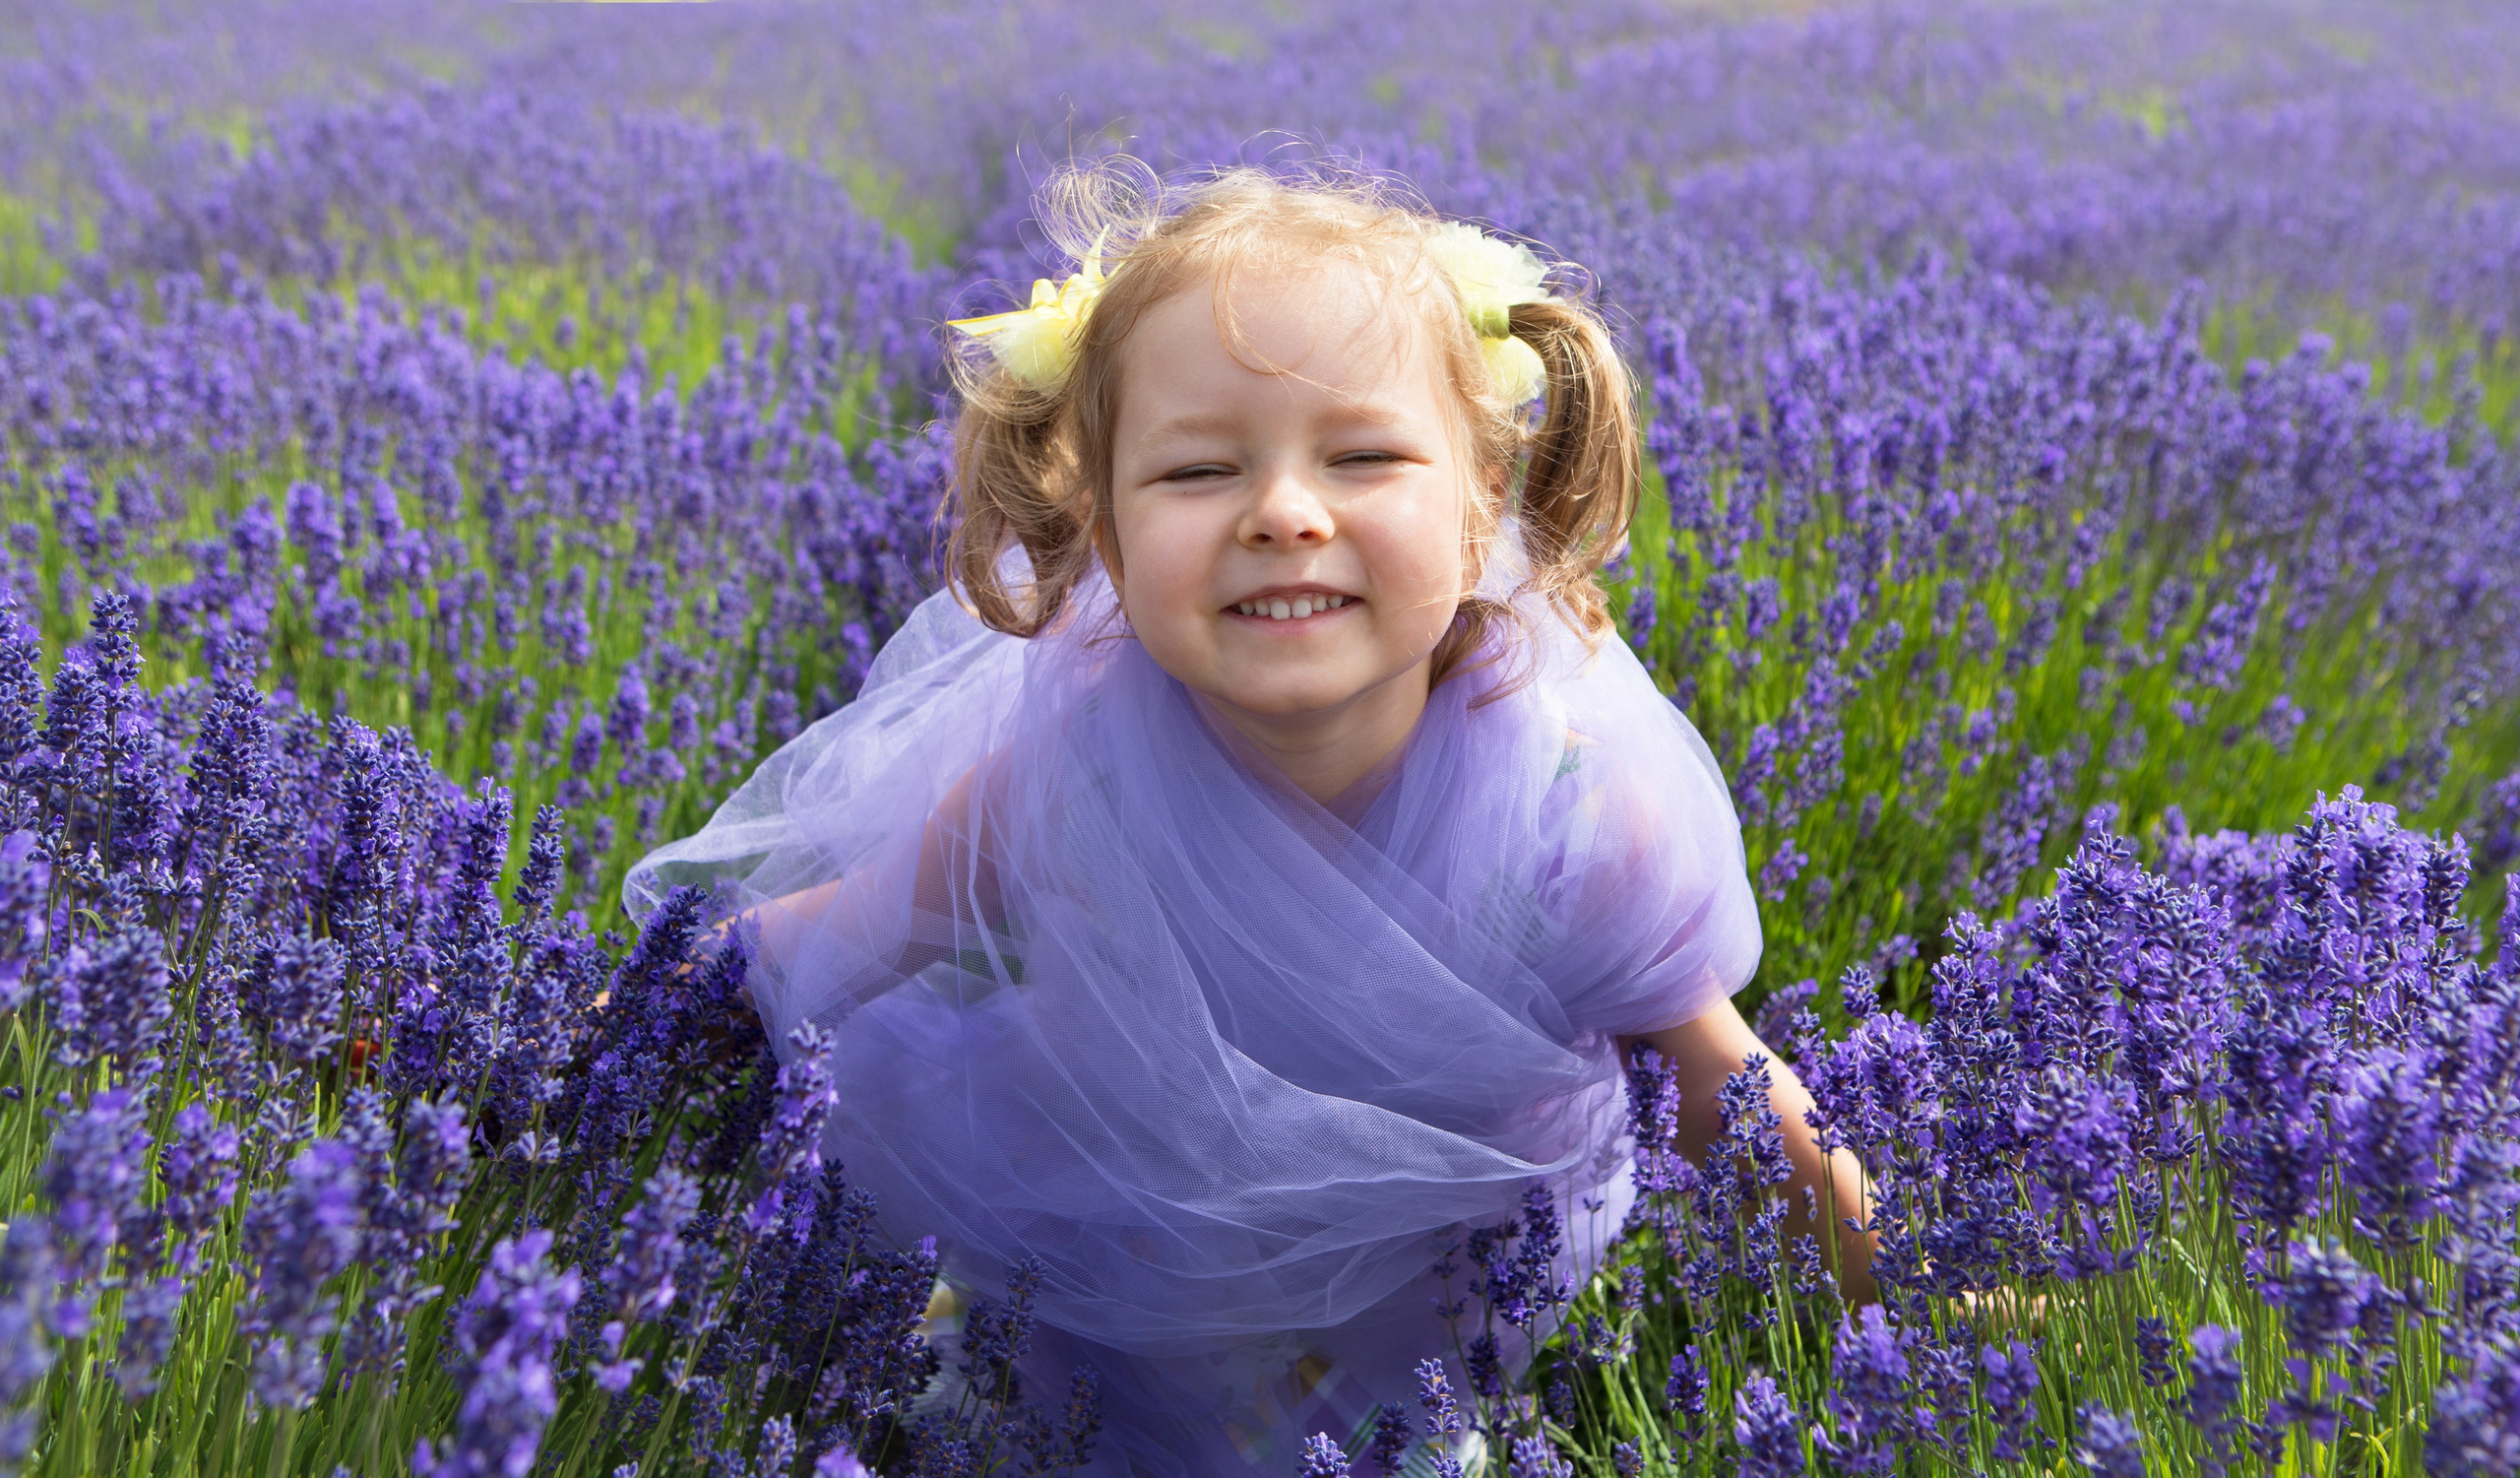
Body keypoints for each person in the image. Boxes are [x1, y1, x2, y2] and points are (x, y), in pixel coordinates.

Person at [627, 163, 1872, 1477]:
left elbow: (1728, 1097)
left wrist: (1907, 1294)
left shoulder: (1567, 817)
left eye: (1364, 456)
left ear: (1475, 517)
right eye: (1201, 467)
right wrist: (557, 1059)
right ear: (1104, 537)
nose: (1284, 510)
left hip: (1417, 1324)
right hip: (1108, 1297)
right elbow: (820, 942)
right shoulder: (1069, 778)